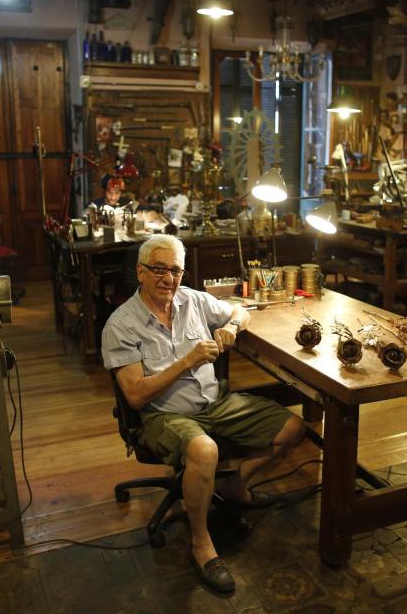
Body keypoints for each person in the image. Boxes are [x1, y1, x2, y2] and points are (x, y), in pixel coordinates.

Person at [101, 234, 305, 593]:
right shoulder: (121, 324)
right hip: (162, 415)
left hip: (214, 402)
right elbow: (134, 396)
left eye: (176, 270)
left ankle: (233, 481)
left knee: (292, 427)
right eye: (159, 270)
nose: (169, 279)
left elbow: (241, 310)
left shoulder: (192, 300)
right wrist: (188, 361)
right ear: (141, 272)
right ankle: (201, 542)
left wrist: (229, 326)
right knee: (204, 449)